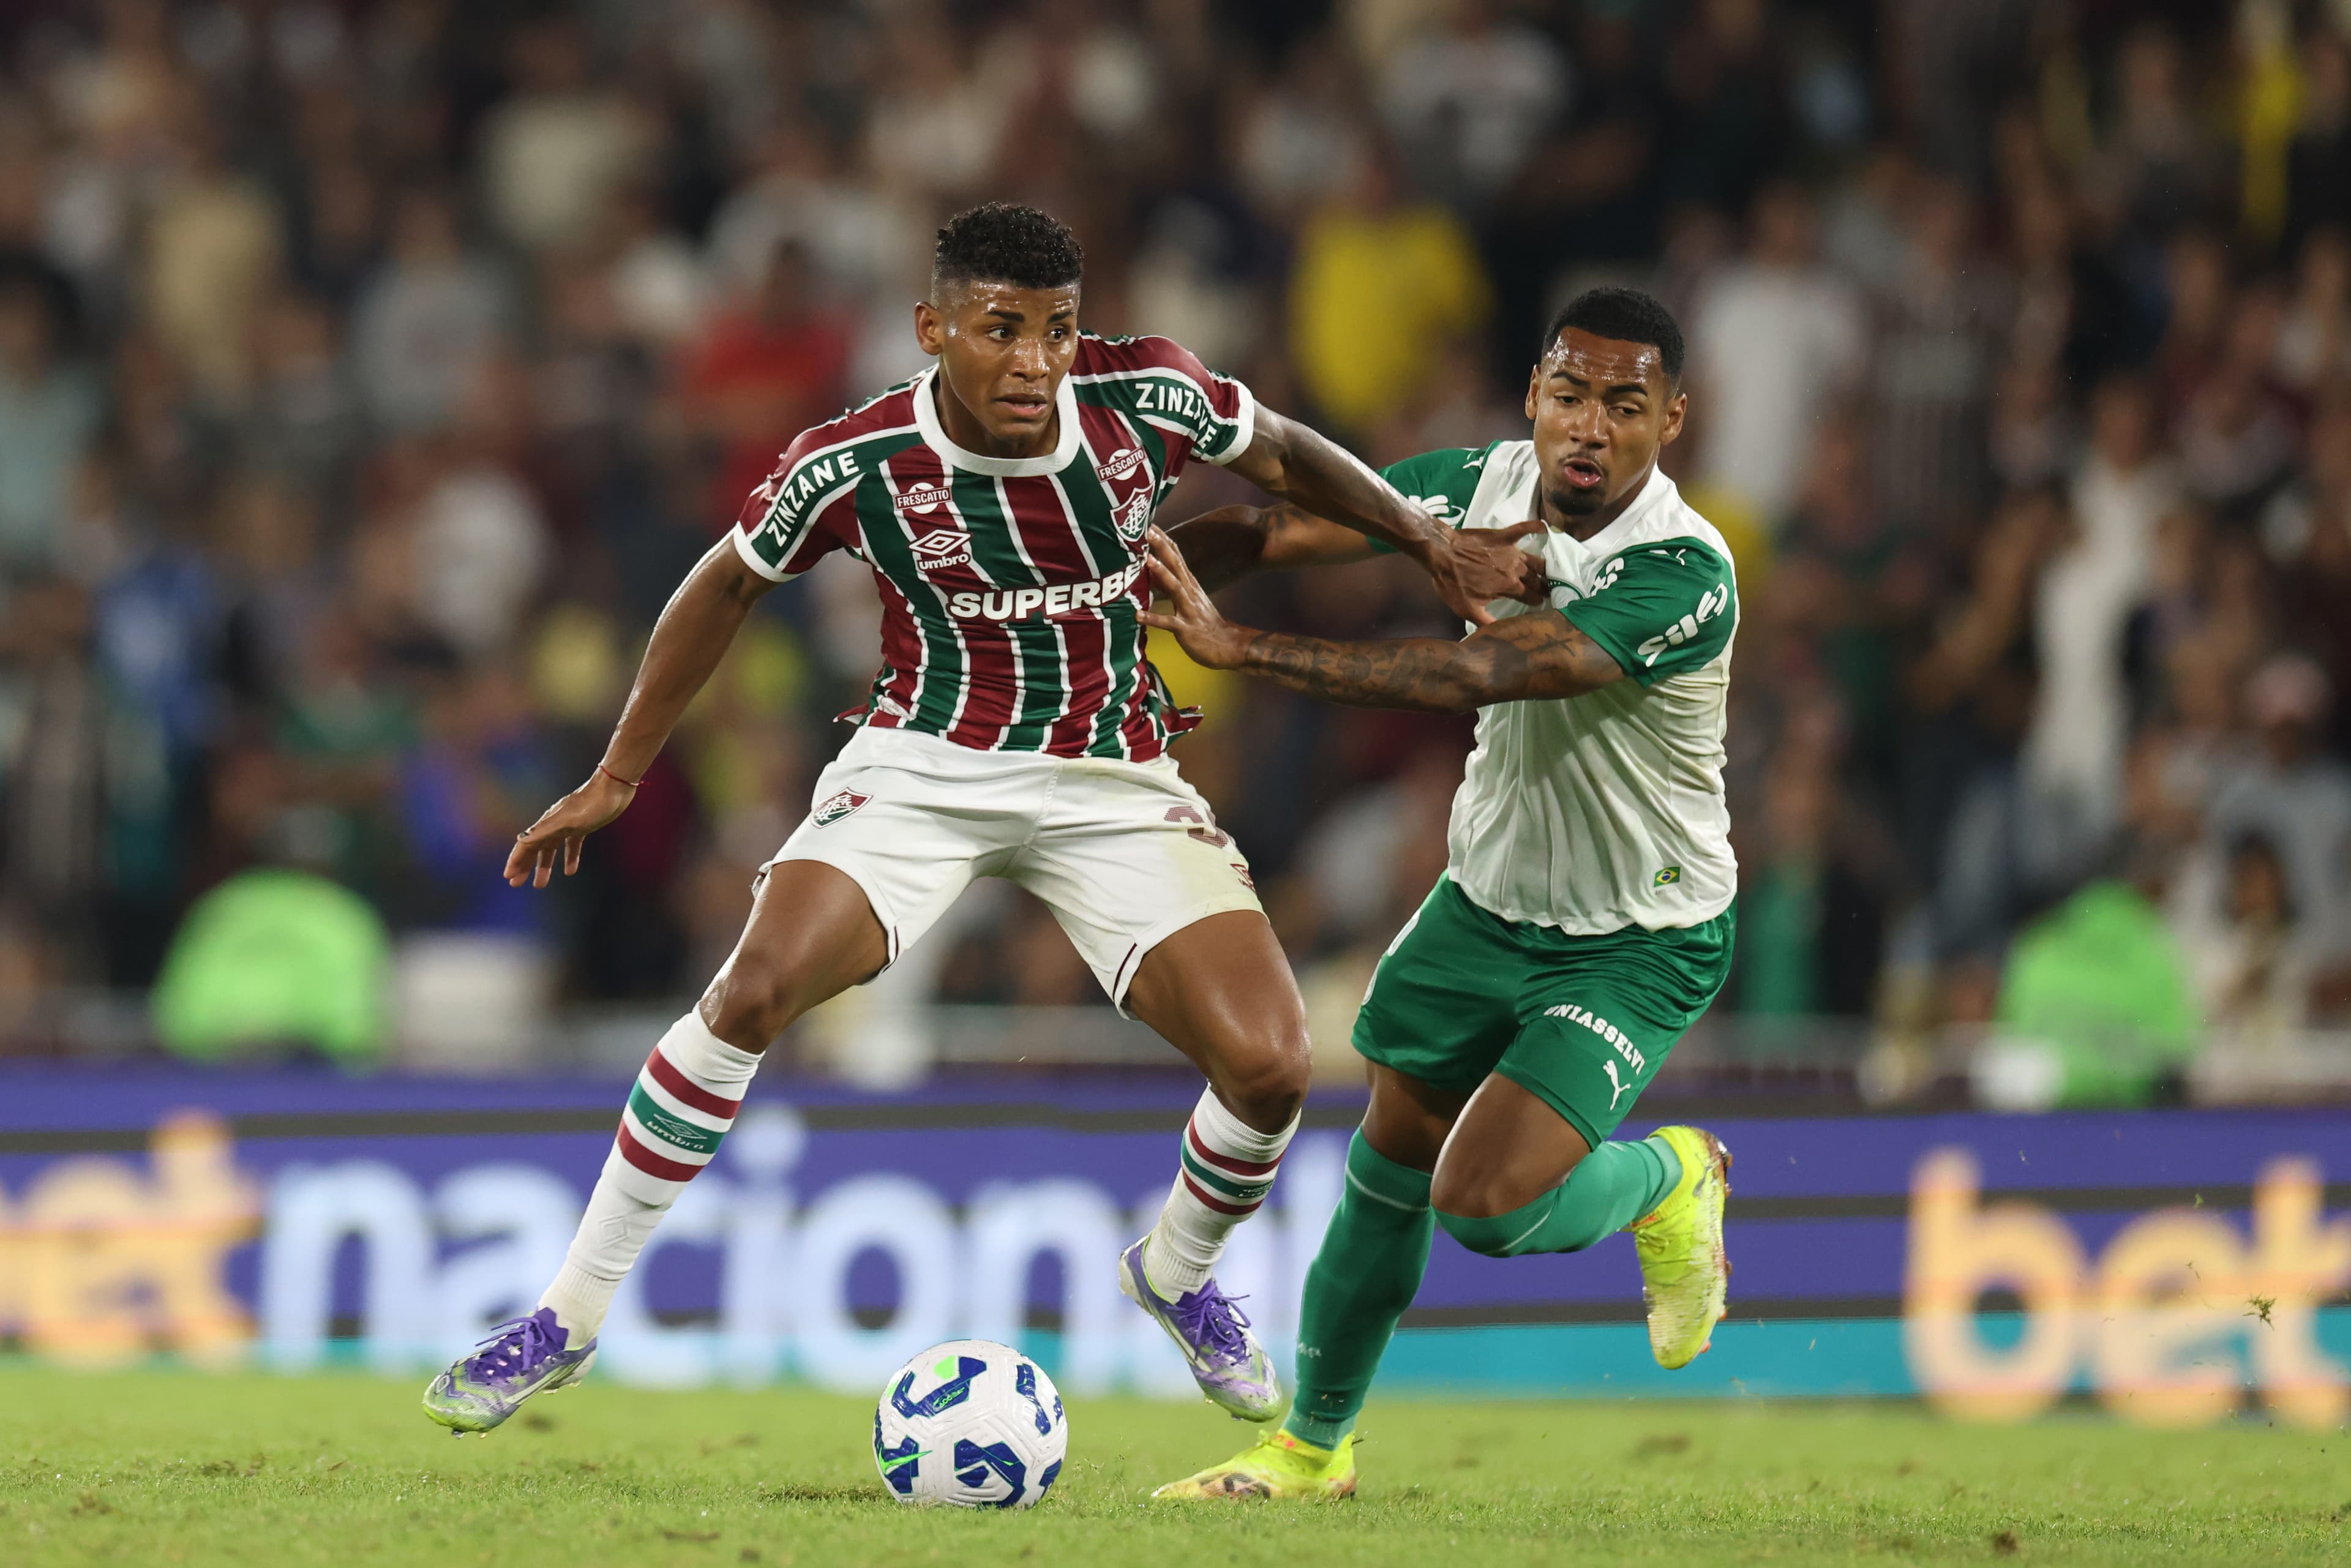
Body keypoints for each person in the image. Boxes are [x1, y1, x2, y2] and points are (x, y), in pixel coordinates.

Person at [420, 203, 1538, 1433]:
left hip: (1114, 771)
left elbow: (1279, 452)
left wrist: (1428, 543)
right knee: (752, 991)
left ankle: (1175, 1271)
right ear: (933, 328)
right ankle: (568, 1316)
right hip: (925, 766)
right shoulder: (854, 460)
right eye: (1000, 330)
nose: (1034, 360)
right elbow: (727, 579)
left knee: (1271, 1065)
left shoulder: (1144, 393)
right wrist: (620, 774)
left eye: (1057, 330)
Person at [1140, 288, 1738, 1499]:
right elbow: (1281, 529)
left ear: (1669, 420)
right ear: (1534, 395)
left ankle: (1673, 1177)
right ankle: (1312, 1450)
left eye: (1625, 406)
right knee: (1390, 1159)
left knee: (1486, 1205)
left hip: (1637, 937)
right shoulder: (1477, 485)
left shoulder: (1684, 570)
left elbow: (1484, 669)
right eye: (1569, 396)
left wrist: (1244, 650)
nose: (1589, 428)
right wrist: (1116, 574)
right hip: (1486, 902)